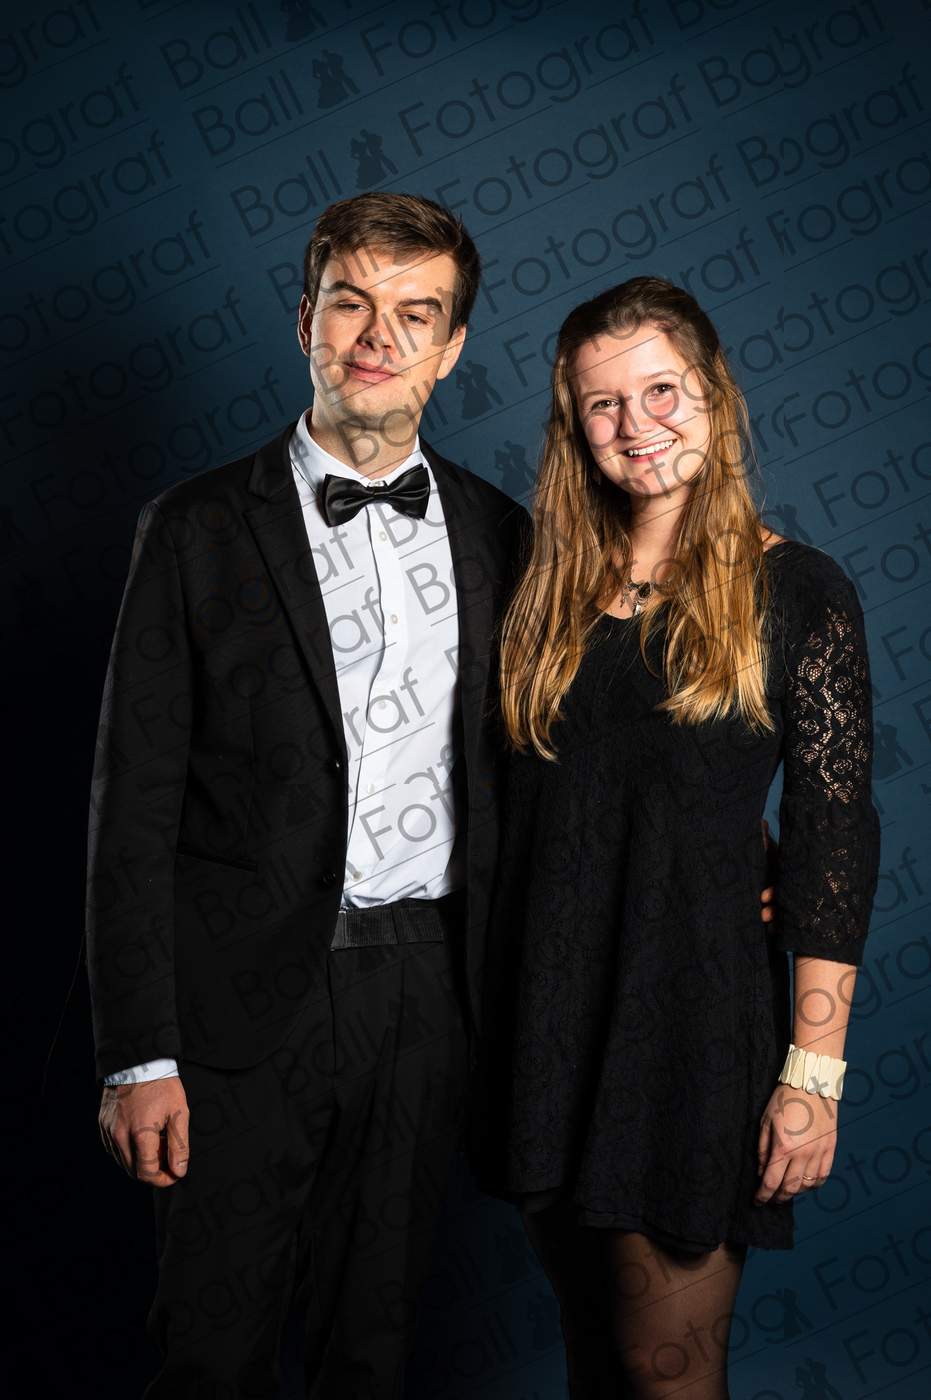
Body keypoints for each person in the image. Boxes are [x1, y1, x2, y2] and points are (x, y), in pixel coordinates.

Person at [86, 191, 529, 1400]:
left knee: (372, 1348)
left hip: (428, 996)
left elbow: (568, 762)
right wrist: (137, 1055)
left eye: (415, 313)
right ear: (304, 321)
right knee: (210, 1348)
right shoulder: (190, 529)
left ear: (451, 348)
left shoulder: (506, 537)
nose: (378, 336)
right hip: (233, 1005)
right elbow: (130, 808)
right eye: (351, 302)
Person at [468, 276, 881, 1399]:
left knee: (666, 1375)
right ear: (572, 423)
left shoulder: (798, 590)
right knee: (593, 1364)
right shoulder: (538, 589)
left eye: (661, 391)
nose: (635, 424)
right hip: (548, 1024)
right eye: (602, 403)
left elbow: (833, 843)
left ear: (713, 396)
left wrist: (813, 1075)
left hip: (688, 1033)